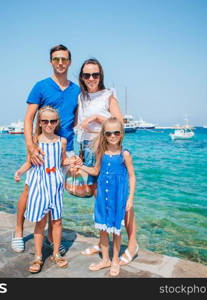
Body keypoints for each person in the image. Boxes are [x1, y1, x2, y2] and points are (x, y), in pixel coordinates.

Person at [11, 44, 80, 254]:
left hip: (63, 147)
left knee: (54, 190)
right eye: (56, 59)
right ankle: (18, 231)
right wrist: (31, 146)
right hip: (39, 148)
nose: (60, 63)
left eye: (64, 59)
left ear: (69, 62)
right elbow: (28, 118)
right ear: (51, 61)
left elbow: (76, 120)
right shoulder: (40, 86)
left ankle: (51, 234)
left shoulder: (76, 89)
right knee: (30, 189)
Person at [75, 58, 139, 265]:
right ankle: (102, 241)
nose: (91, 78)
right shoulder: (81, 96)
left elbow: (119, 124)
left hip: (104, 147)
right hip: (87, 149)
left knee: (122, 202)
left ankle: (132, 245)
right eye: (87, 75)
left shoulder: (108, 94)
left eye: (95, 74)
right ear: (82, 77)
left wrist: (95, 119)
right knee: (101, 199)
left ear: (101, 75)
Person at [76, 117, 136, 276]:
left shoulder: (125, 154)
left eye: (116, 132)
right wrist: (80, 166)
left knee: (116, 230)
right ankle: (105, 260)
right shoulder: (101, 153)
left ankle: (115, 259)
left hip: (118, 198)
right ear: (104, 135)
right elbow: (95, 172)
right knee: (103, 229)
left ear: (122, 134)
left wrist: (130, 198)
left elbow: (132, 177)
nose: (112, 136)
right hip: (103, 197)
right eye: (108, 133)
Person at [20, 106, 71, 273]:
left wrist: (73, 161)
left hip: (55, 185)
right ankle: (38, 256)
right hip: (39, 185)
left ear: (57, 123)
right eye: (45, 121)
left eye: (53, 121)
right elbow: (29, 162)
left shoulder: (62, 141)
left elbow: (62, 161)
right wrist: (19, 172)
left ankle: (56, 253)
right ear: (40, 123)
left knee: (56, 221)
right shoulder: (35, 141)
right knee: (40, 222)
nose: (49, 124)